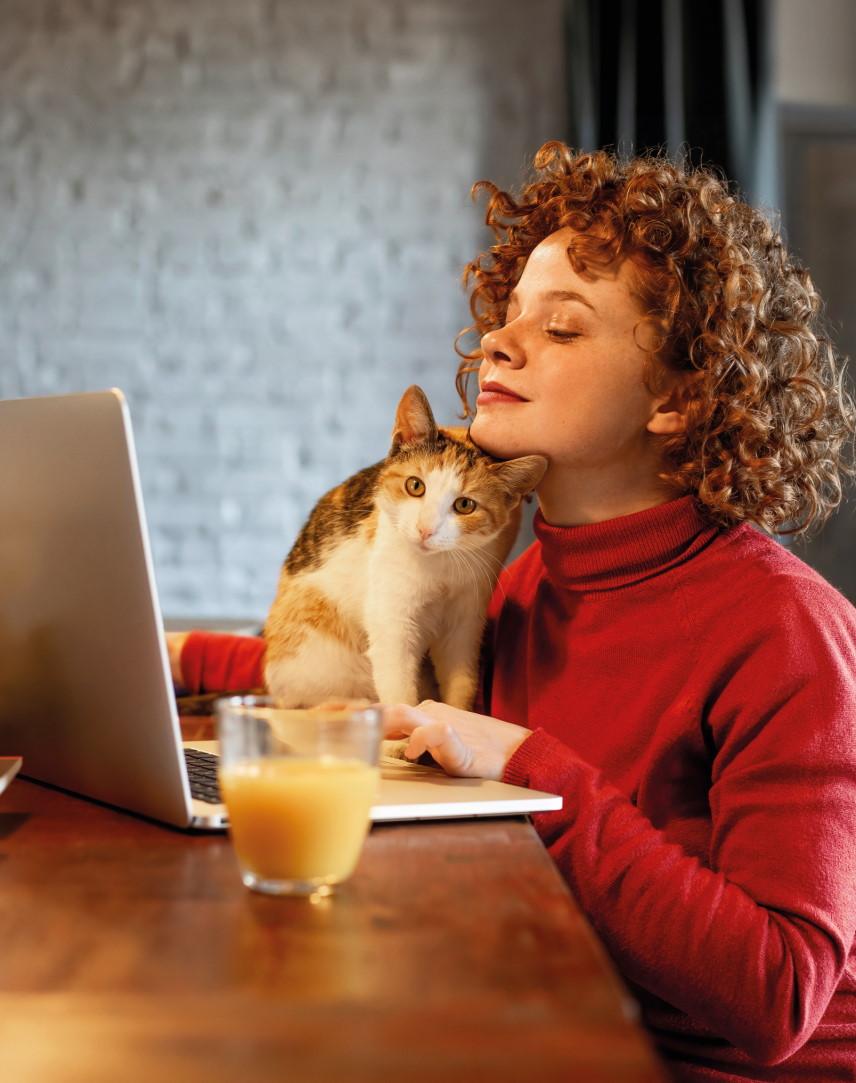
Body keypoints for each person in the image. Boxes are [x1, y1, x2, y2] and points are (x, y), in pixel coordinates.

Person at [169, 142, 856, 1082]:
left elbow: (779, 995)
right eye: (508, 316)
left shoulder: (785, 628)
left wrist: (526, 766)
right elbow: (376, 675)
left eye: (563, 329)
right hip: (557, 1018)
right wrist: (173, 658)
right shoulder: (528, 581)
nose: (498, 341)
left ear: (678, 394)